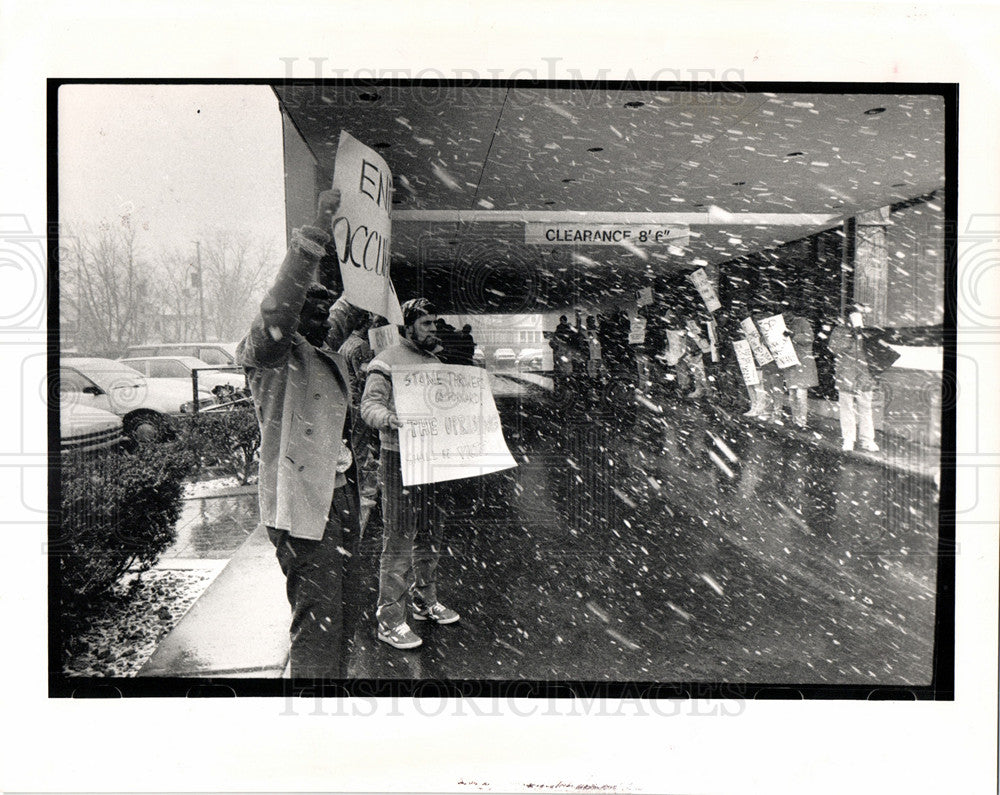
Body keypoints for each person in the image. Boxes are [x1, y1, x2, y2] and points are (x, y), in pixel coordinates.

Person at [236, 188, 368, 679]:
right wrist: (314, 232)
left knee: (347, 609)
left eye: (322, 310)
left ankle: (330, 691)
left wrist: (366, 256)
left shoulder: (319, 348)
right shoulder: (270, 356)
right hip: (299, 508)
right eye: (305, 309)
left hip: (340, 498)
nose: (318, 315)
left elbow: (346, 310)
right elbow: (280, 307)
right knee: (319, 623)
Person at [360, 297, 461, 650]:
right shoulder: (384, 362)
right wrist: (386, 418)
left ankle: (423, 600)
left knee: (431, 533)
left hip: (431, 459)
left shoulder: (434, 360)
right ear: (407, 327)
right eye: (426, 324)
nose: (434, 329)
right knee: (399, 539)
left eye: (435, 323)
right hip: (398, 459)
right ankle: (389, 619)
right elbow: (368, 406)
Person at [339, 313, 380, 504]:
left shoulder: (345, 343)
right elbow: (364, 377)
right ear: (365, 324)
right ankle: (364, 489)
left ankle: (355, 488)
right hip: (360, 402)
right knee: (361, 446)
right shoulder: (361, 346)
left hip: (348, 401)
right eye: (370, 323)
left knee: (353, 443)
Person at [828, 304, 879, 452]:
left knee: (865, 408)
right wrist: (851, 336)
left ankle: (867, 440)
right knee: (847, 408)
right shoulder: (840, 331)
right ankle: (849, 439)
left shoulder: (867, 331)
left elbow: (875, 352)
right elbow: (833, 348)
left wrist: (862, 334)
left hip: (864, 376)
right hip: (846, 375)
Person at [782, 311, 819, 428]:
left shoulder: (802, 322)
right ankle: (796, 419)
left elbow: (809, 338)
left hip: (802, 363)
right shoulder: (784, 324)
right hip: (792, 363)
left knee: (800, 394)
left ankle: (802, 420)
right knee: (792, 394)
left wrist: (793, 335)